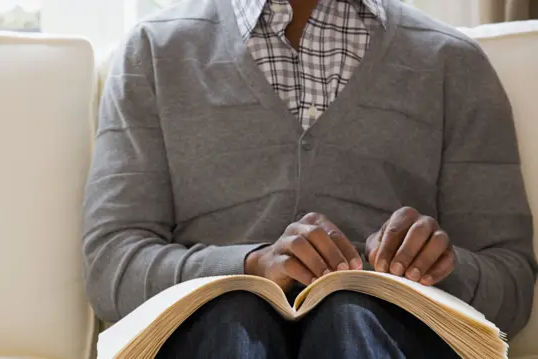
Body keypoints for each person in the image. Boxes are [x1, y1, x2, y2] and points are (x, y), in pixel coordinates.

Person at [82, 0, 537, 357]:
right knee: (235, 316)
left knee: (350, 316)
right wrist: (249, 267)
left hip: (392, 335)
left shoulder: (452, 63)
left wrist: (440, 268)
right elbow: (111, 267)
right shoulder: (152, 52)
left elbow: (512, 287)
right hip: (209, 339)